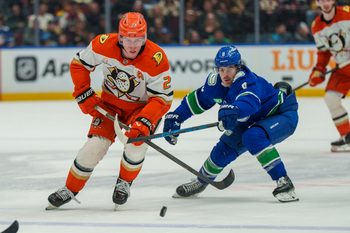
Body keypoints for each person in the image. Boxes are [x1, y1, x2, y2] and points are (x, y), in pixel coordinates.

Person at [46, 12, 173, 209]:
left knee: (136, 145)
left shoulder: (157, 59)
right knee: (93, 147)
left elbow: (162, 99)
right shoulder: (103, 44)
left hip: (141, 109)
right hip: (109, 107)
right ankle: (70, 189)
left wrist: (144, 121)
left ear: (145, 38)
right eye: (127, 39)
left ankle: (124, 183)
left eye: (137, 39)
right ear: (120, 37)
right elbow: (79, 64)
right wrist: (83, 92)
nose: (132, 45)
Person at [163, 45, 299, 202]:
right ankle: (201, 181)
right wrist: (176, 116)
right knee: (225, 148)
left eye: (229, 69)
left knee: (253, 136)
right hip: (251, 119)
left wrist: (234, 110)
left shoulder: (248, 81)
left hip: (281, 114)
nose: (225, 74)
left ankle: (284, 182)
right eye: (221, 69)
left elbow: (250, 103)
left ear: (238, 67)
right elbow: (197, 101)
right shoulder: (215, 83)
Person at [308, 0, 350, 152]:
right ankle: (347, 136)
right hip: (342, 68)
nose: (325, 3)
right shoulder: (316, 26)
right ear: (317, 3)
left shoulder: (347, 12)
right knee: (331, 98)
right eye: (321, 0)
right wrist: (318, 69)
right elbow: (324, 52)